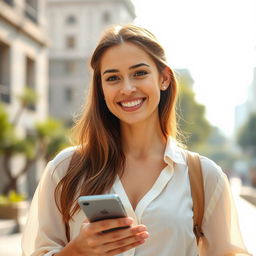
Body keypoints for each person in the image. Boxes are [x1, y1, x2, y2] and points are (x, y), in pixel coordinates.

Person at [21, 24, 251, 256]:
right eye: (113, 78)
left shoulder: (204, 176)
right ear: (101, 88)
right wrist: (77, 251)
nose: (127, 88)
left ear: (164, 79)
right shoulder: (65, 168)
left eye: (139, 73)